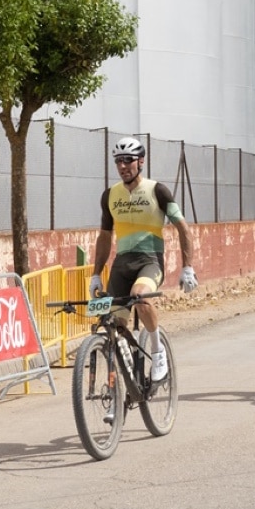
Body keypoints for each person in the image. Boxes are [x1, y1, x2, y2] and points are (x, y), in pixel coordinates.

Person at [90, 137, 197, 382]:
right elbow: (105, 237)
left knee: (139, 296)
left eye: (128, 160)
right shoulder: (110, 195)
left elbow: (183, 228)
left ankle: (158, 351)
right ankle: (120, 386)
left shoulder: (157, 190)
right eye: (118, 161)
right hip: (121, 264)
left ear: (141, 162)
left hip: (149, 260)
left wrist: (187, 267)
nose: (123, 165)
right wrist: (96, 273)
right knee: (111, 323)